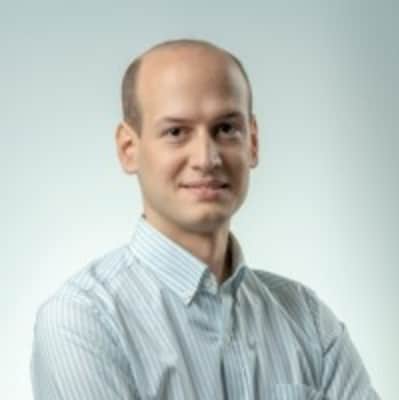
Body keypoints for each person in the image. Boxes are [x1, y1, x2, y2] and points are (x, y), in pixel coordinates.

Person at [30, 39, 380, 399]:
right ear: (128, 149)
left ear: (253, 142)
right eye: (176, 132)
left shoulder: (308, 320)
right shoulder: (83, 321)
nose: (206, 158)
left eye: (226, 128)